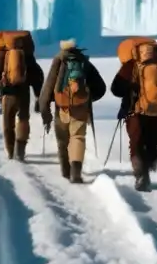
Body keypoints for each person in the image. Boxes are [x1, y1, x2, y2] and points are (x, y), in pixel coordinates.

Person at [111, 37, 157, 192]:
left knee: (136, 143)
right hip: (155, 111)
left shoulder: (130, 65)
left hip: (134, 110)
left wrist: (129, 88)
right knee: (153, 141)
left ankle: (141, 174)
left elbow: (116, 89)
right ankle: (150, 162)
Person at [39, 39, 107, 184]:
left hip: (62, 108)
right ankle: (76, 171)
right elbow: (101, 87)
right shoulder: (84, 62)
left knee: (62, 140)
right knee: (78, 137)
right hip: (81, 108)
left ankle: (65, 171)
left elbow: (48, 86)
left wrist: (44, 107)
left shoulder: (58, 61)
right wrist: (88, 98)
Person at [0, 30, 44, 161]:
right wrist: (38, 95)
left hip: (7, 94)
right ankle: (20, 149)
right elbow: (37, 76)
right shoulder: (28, 56)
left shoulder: (2, 54)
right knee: (23, 119)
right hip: (24, 93)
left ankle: (10, 150)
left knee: (8, 124)